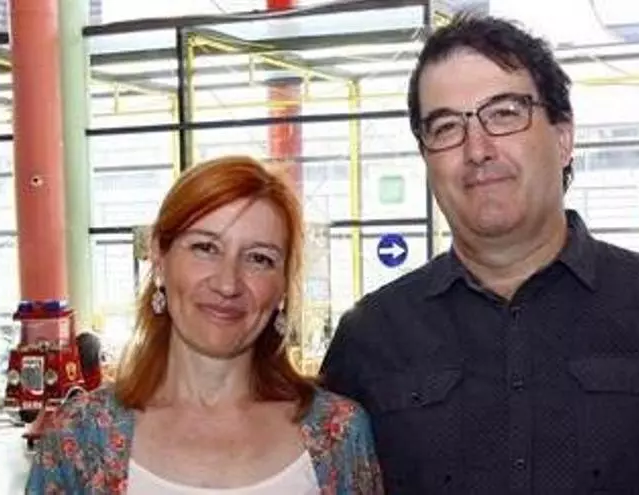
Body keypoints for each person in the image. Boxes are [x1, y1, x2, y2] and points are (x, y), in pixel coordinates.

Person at [320, 13, 639, 495]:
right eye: (445, 127)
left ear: (563, 138)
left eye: (504, 113)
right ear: (426, 158)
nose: (477, 149)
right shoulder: (369, 338)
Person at [26, 156, 383, 494]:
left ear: (283, 287)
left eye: (259, 258)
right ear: (159, 258)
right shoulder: (80, 435)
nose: (228, 284)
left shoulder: (338, 434)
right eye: (205, 248)